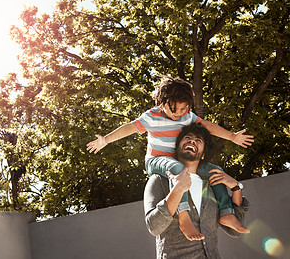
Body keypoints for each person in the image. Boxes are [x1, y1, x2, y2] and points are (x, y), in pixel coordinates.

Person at [87, 76, 252, 240]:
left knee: (216, 171)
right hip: (156, 161)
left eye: (183, 109)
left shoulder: (187, 115)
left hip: (179, 162)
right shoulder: (151, 117)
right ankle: (183, 216)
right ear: (163, 102)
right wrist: (106, 140)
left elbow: (207, 126)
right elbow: (129, 127)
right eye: (175, 110)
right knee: (178, 168)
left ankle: (226, 213)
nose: (179, 114)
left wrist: (232, 137)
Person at [144, 122, 250, 258]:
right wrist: (177, 190)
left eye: (198, 140)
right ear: (177, 147)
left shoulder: (212, 184)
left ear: (203, 154)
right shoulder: (159, 181)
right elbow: (154, 227)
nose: (192, 141)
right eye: (187, 138)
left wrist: (236, 188)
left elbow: (235, 231)